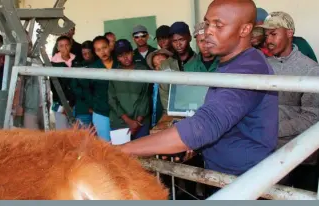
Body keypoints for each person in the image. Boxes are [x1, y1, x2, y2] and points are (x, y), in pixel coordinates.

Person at [117, 0, 279, 196]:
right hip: (225, 173)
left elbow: (204, 126)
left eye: (218, 25)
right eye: (207, 23)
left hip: (246, 181)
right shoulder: (232, 62)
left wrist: (122, 151)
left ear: (245, 29)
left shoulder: (249, 69)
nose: (208, 31)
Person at [257, 12, 319, 190]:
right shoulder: (263, 64)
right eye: (266, 34)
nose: (268, 39)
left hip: (300, 154)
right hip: (267, 149)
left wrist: (272, 128)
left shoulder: (310, 69)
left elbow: (312, 118)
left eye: (273, 34)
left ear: (290, 33)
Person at [108, 39, 151, 140]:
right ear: (117, 58)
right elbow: (112, 100)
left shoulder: (142, 70)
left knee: (142, 154)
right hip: (120, 123)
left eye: (127, 53)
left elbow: (145, 97)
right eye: (120, 55)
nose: (125, 58)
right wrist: (129, 121)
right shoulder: (113, 73)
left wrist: (137, 122)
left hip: (141, 122)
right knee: (121, 155)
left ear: (132, 52)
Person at [158, 21, 197, 115]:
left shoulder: (199, 62)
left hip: (197, 113)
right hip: (173, 114)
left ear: (189, 38)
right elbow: (164, 95)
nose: (178, 44)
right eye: (174, 41)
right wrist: (174, 113)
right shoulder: (165, 65)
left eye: (181, 39)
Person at [89, 36, 119, 142]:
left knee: (122, 146)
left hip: (121, 113)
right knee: (105, 146)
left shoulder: (119, 64)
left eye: (104, 47)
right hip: (101, 112)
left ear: (110, 46)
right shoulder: (92, 68)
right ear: (95, 52)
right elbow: (87, 90)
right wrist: (92, 106)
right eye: (98, 50)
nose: (103, 52)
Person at [50, 35, 81, 130]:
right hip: (60, 103)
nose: (64, 48)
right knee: (62, 131)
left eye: (67, 45)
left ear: (70, 46)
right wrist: (64, 106)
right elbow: (53, 87)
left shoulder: (77, 61)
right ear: (58, 48)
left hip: (76, 103)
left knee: (76, 132)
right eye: (61, 46)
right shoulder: (52, 64)